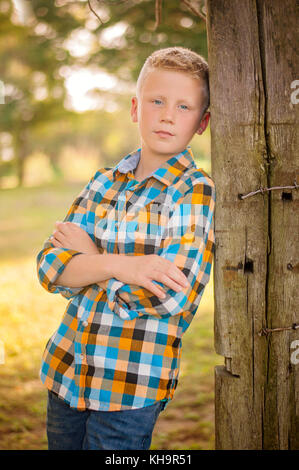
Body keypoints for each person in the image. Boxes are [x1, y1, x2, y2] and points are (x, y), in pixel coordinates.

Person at [36, 46, 216, 450]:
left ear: (202, 122)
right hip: (66, 370)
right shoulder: (104, 181)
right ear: (136, 108)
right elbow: (49, 266)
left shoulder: (193, 190)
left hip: (129, 385)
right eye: (157, 101)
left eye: (183, 106)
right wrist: (125, 267)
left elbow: (171, 298)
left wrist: (91, 264)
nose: (168, 115)